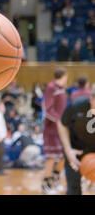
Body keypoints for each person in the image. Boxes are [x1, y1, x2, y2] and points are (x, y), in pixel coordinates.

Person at [57, 85, 95, 195]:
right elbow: (62, 124)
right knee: (73, 189)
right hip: (76, 149)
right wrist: (68, 150)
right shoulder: (77, 106)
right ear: (91, 99)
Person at [41, 67, 68, 195]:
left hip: (62, 127)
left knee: (64, 154)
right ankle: (45, 183)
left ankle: (55, 177)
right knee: (51, 156)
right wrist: (58, 121)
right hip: (52, 127)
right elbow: (47, 108)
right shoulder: (51, 87)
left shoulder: (61, 89)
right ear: (63, 75)